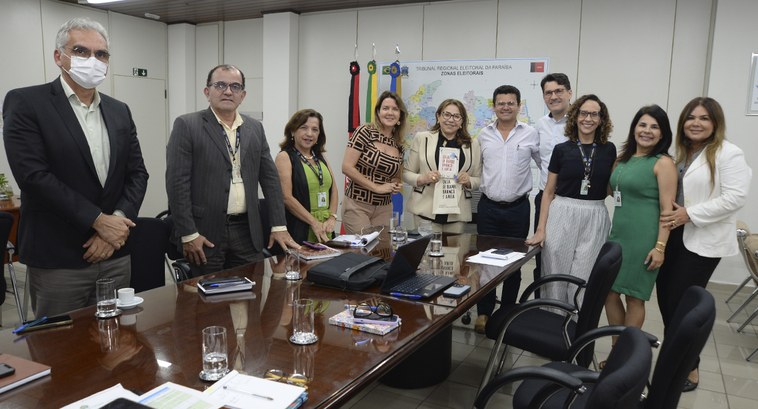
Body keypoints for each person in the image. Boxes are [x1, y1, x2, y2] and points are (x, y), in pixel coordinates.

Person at [2, 17, 149, 317]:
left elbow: (137, 174)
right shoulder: (27, 103)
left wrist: (115, 223)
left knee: (117, 345)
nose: (92, 60)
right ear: (59, 56)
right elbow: (34, 177)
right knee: (60, 349)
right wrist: (97, 220)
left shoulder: (119, 110)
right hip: (60, 258)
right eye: (81, 51)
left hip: (115, 253)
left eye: (101, 54)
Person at [166, 64, 299, 277]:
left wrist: (278, 224)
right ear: (207, 91)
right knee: (207, 302)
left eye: (235, 87)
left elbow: (270, 179)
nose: (228, 91)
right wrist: (188, 234)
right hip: (204, 232)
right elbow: (177, 183)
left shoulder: (254, 128)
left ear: (243, 95)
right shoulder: (187, 125)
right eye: (220, 85)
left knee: (251, 296)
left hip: (247, 230)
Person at [657, 97, 752, 392]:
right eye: (691, 118)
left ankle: (690, 367)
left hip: (702, 242)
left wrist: (690, 214)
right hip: (675, 237)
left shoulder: (728, 153)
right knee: (665, 300)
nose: (696, 123)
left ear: (715, 124)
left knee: (682, 306)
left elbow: (736, 197)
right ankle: (677, 358)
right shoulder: (683, 154)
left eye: (704, 118)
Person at [526, 94, 616, 308]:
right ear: (575, 117)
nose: (588, 118)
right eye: (584, 113)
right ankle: (551, 325)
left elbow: (614, 188)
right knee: (555, 274)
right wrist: (540, 229)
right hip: (562, 213)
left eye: (594, 114)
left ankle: (575, 328)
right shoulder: (561, 150)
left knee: (583, 277)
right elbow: (548, 192)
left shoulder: (609, 150)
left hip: (594, 215)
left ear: (601, 120)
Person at [603, 105, 677, 361]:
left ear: (662, 134)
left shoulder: (663, 163)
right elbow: (613, 191)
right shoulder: (623, 159)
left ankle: (622, 356)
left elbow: (668, 211)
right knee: (609, 294)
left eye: (654, 127)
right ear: (634, 127)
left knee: (634, 298)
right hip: (619, 236)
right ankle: (617, 349)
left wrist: (660, 247)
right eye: (642, 125)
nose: (647, 131)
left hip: (644, 239)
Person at [476, 85, 540, 333]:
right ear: (494, 106)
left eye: (510, 103)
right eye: (500, 103)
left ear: (518, 105)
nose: (505, 107)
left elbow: (545, 165)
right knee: (486, 264)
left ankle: (507, 314)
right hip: (488, 208)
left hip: (518, 209)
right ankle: (484, 312)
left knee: (513, 264)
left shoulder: (530, 134)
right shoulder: (483, 135)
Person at [402, 99, 481, 233]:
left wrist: (469, 181)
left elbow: (478, 179)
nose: (451, 120)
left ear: (462, 122)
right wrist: (423, 178)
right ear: (438, 117)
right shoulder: (422, 138)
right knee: (427, 253)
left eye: (457, 116)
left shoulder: (473, 144)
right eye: (446, 114)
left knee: (455, 254)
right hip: (425, 212)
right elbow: (406, 173)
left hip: (457, 213)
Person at [341, 91, 405, 234]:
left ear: (400, 115)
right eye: (385, 108)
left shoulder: (399, 145)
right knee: (363, 252)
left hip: (384, 207)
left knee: (381, 252)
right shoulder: (364, 132)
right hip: (357, 205)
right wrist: (376, 187)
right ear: (378, 112)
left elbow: (396, 176)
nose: (390, 113)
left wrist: (395, 183)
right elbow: (346, 167)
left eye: (395, 109)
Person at [533, 73, 573, 297]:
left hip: (571, 200)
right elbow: (541, 160)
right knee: (543, 254)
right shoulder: (540, 125)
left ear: (569, 92)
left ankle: (567, 305)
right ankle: (540, 307)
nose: (554, 96)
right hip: (544, 197)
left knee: (568, 256)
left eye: (559, 91)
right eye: (548, 92)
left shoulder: (581, 122)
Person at [275, 109, 339, 243]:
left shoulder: (321, 157)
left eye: (315, 129)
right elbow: (286, 197)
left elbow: (333, 189)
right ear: (292, 131)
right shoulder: (284, 157)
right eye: (304, 128)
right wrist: (313, 222)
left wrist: (332, 217)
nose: (309, 134)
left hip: (325, 229)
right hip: (300, 228)